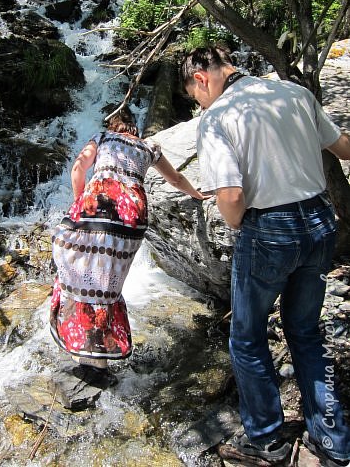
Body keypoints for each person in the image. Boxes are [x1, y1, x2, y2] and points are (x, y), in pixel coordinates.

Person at [181, 44, 350, 466]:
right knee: (306, 332)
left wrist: (241, 225)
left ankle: (267, 441)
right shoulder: (294, 93)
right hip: (320, 221)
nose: (199, 103)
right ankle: (333, 443)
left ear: (202, 78)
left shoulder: (218, 117)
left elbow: (231, 194)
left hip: (268, 229)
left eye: (194, 95)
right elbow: (344, 148)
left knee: (247, 337)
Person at [49, 105, 207, 380]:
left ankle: (84, 350)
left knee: (74, 263)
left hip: (99, 204)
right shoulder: (149, 147)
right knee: (107, 284)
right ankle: (99, 357)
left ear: (113, 126)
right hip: (132, 216)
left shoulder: (102, 137)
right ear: (134, 128)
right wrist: (197, 194)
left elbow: (78, 169)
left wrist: (79, 203)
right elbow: (177, 178)